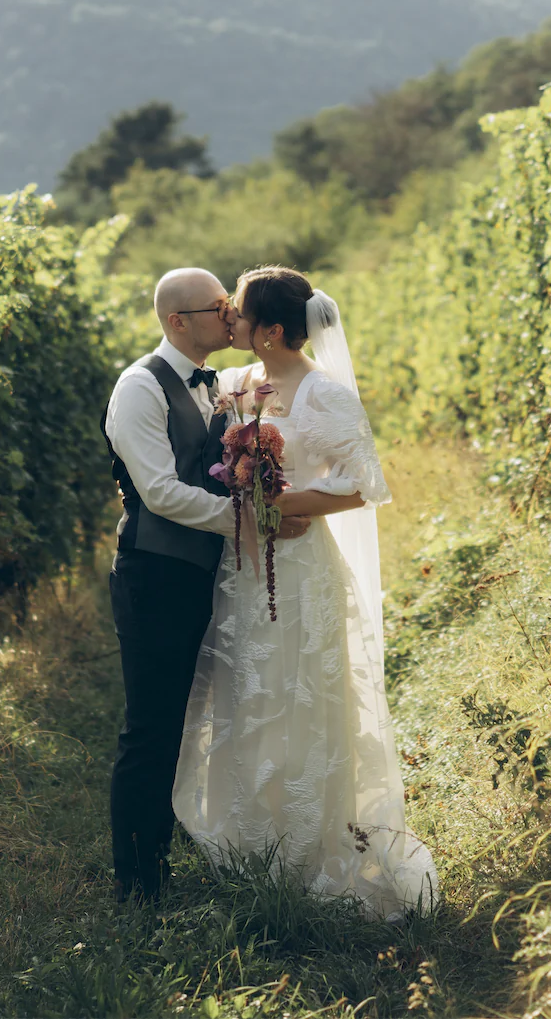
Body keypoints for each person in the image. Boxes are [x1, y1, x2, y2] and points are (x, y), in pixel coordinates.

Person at [171, 265, 437, 918]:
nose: (228, 315)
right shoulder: (234, 385)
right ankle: (248, 839)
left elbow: (360, 484)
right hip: (241, 567)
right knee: (246, 686)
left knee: (301, 692)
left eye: (240, 310)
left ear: (271, 331)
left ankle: (308, 844)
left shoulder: (324, 394)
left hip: (298, 565)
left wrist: (283, 500)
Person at [102, 267, 312, 900]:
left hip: (211, 574)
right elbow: (160, 492)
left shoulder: (220, 384)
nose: (229, 314)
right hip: (156, 575)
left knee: (205, 720)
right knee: (153, 727)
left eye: (230, 304)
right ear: (177, 321)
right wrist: (250, 520)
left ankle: (187, 850)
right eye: (217, 306)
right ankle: (137, 885)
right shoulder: (138, 388)